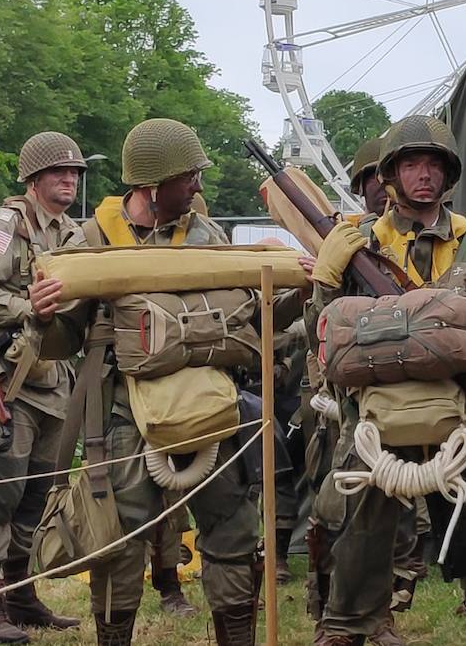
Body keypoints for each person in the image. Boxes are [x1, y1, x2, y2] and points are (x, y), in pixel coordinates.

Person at [60, 118, 303, 645]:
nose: (198, 185)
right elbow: (63, 340)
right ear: (152, 185)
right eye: (188, 176)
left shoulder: (207, 237)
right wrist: (43, 313)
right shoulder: (90, 241)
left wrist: (299, 290)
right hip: (124, 413)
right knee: (120, 541)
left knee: (234, 531)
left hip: (209, 407)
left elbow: (250, 319)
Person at [305, 115, 466, 646]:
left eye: (434, 164)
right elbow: (323, 337)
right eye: (411, 164)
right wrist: (325, 279)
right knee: (352, 547)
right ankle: (345, 629)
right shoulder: (356, 245)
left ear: (449, 173)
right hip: (373, 425)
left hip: (460, 423)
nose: (424, 175)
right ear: (390, 174)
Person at [0, 132, 87, 643]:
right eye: (58, 172)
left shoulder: (71, 233)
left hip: (51, 381)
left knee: (36, 496)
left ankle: (21, 595)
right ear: (33, 178)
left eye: (75, 172)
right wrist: (25, 306)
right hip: (3, 382)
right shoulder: (3, 225)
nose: (69, 179)